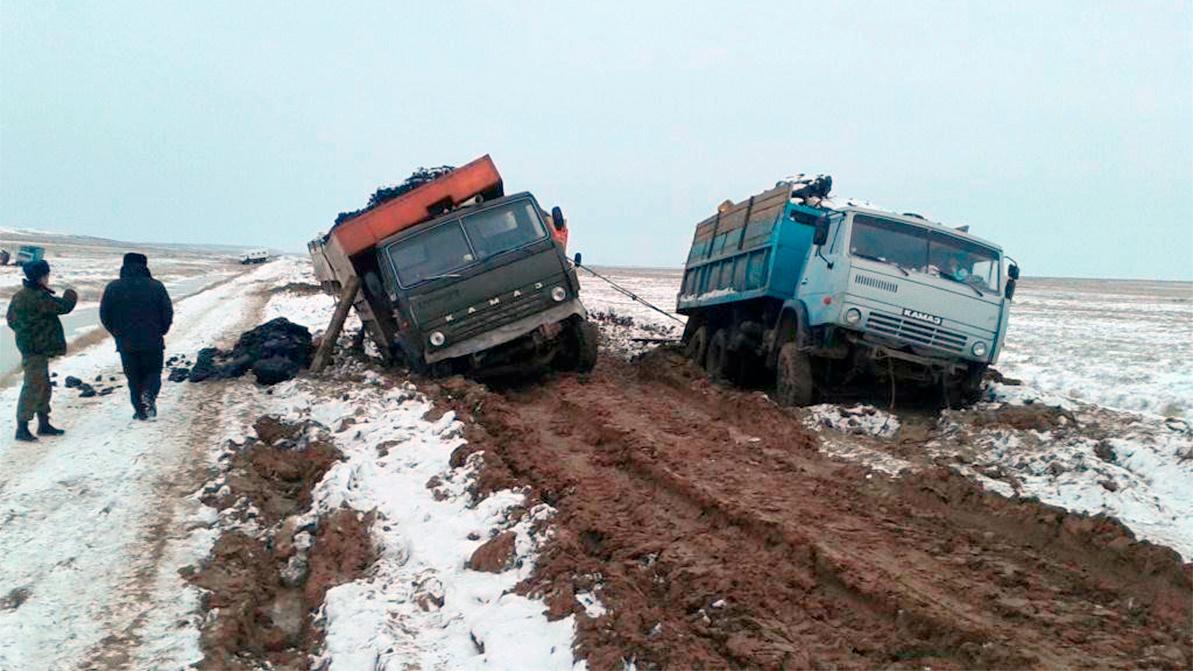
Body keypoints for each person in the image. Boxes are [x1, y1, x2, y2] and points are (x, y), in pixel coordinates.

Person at [5, 260, 78, 441]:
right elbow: (64, 307)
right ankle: (22, 427)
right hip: (35, 350)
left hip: (32, 348)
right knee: (34, 386)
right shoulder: (36, 296)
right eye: (46, 275)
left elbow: (11, 320)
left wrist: (26, 333)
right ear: (41, 277)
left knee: (43, 385)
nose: (48, 279)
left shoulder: (21, 295)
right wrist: (71, 294)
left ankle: (43, 423)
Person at [100, 253, 173, 420]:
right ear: (145, 266)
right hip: (152, 339)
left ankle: (140, 411)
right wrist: (161, 330)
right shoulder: (156, 286)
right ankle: (149, 396)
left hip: (126, 342)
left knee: (133, 378)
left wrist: (117, 333)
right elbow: (167, 312)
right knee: (153, 372)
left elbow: (105, 315)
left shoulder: (113, 287)